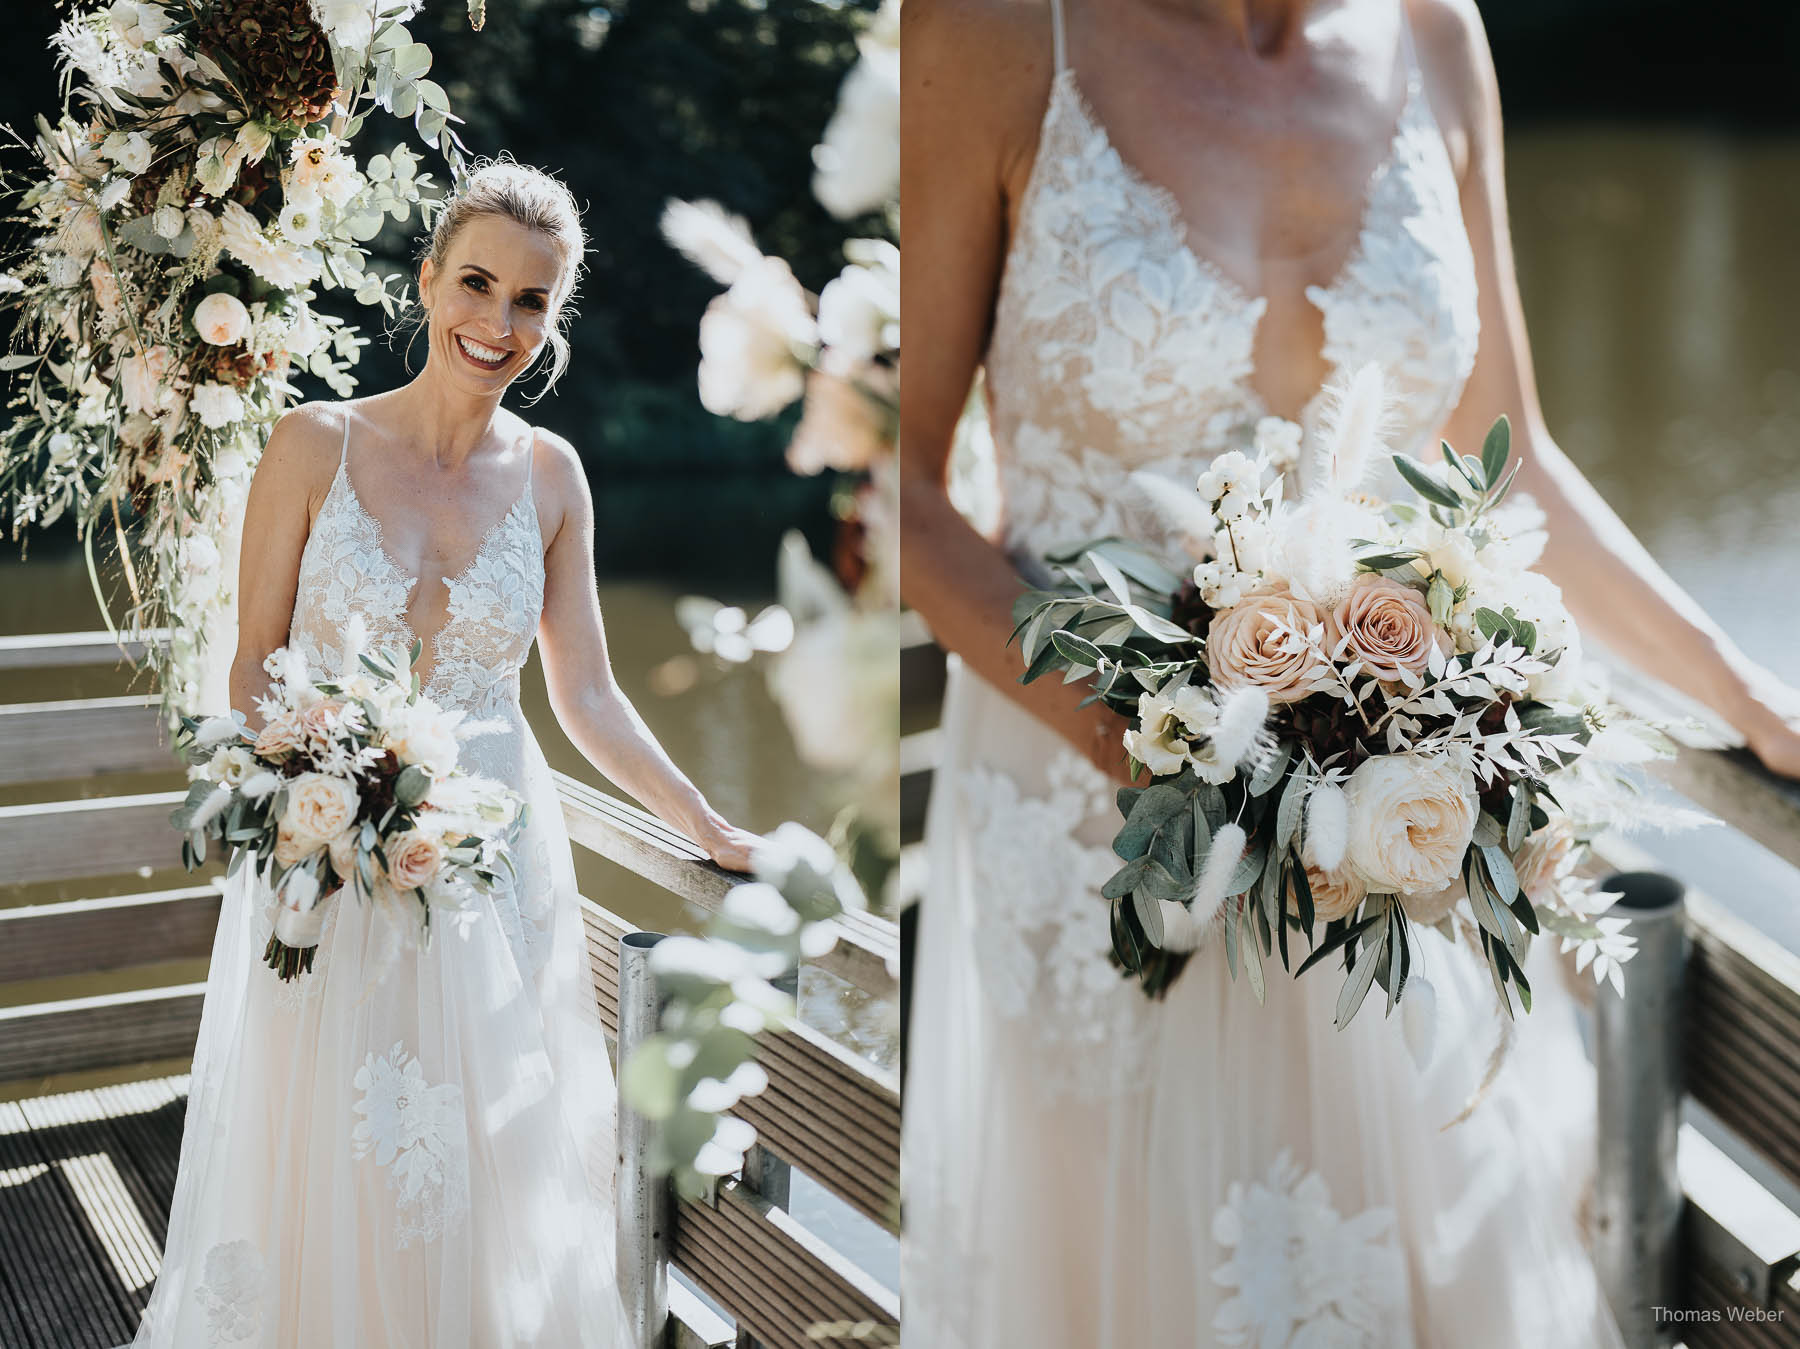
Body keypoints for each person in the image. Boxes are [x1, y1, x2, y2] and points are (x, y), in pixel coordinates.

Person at [899, 1, 1800, 1345]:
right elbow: (897, 487)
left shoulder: (1437, 35)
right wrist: (1143, 737)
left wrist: (1750, 694)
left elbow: (1514, 456)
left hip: (1393, 831)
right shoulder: (998, 32)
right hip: (1098, 832)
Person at [131, 160, 759, 1348]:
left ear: (553, 318)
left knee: (488, 1151)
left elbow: (587, 693)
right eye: (477, 282)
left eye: (532, 300)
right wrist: (329, 773)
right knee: (328, 1143)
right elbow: (254, 660)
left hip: (495, 863)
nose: (499, 322)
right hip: (333, 854)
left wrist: (705, 824)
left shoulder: (554, 475)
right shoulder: (312, 444)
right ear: (427, 282)